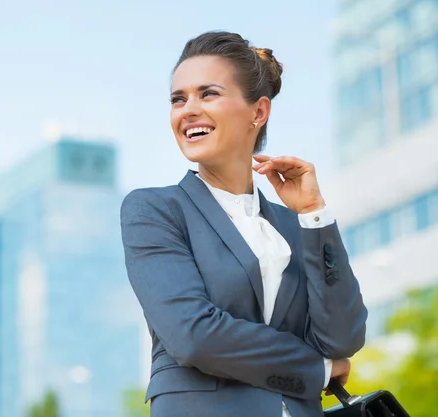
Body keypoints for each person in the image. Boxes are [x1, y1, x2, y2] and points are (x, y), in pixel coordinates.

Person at [120, 31, 368, 417]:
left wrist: (315, 214)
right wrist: (315, 370)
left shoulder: (293, 225)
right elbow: (194, 336)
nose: (188, 109)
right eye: (178, 99)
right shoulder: (154, 210)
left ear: (258, 112)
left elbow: (341, 338)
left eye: (209, 93)